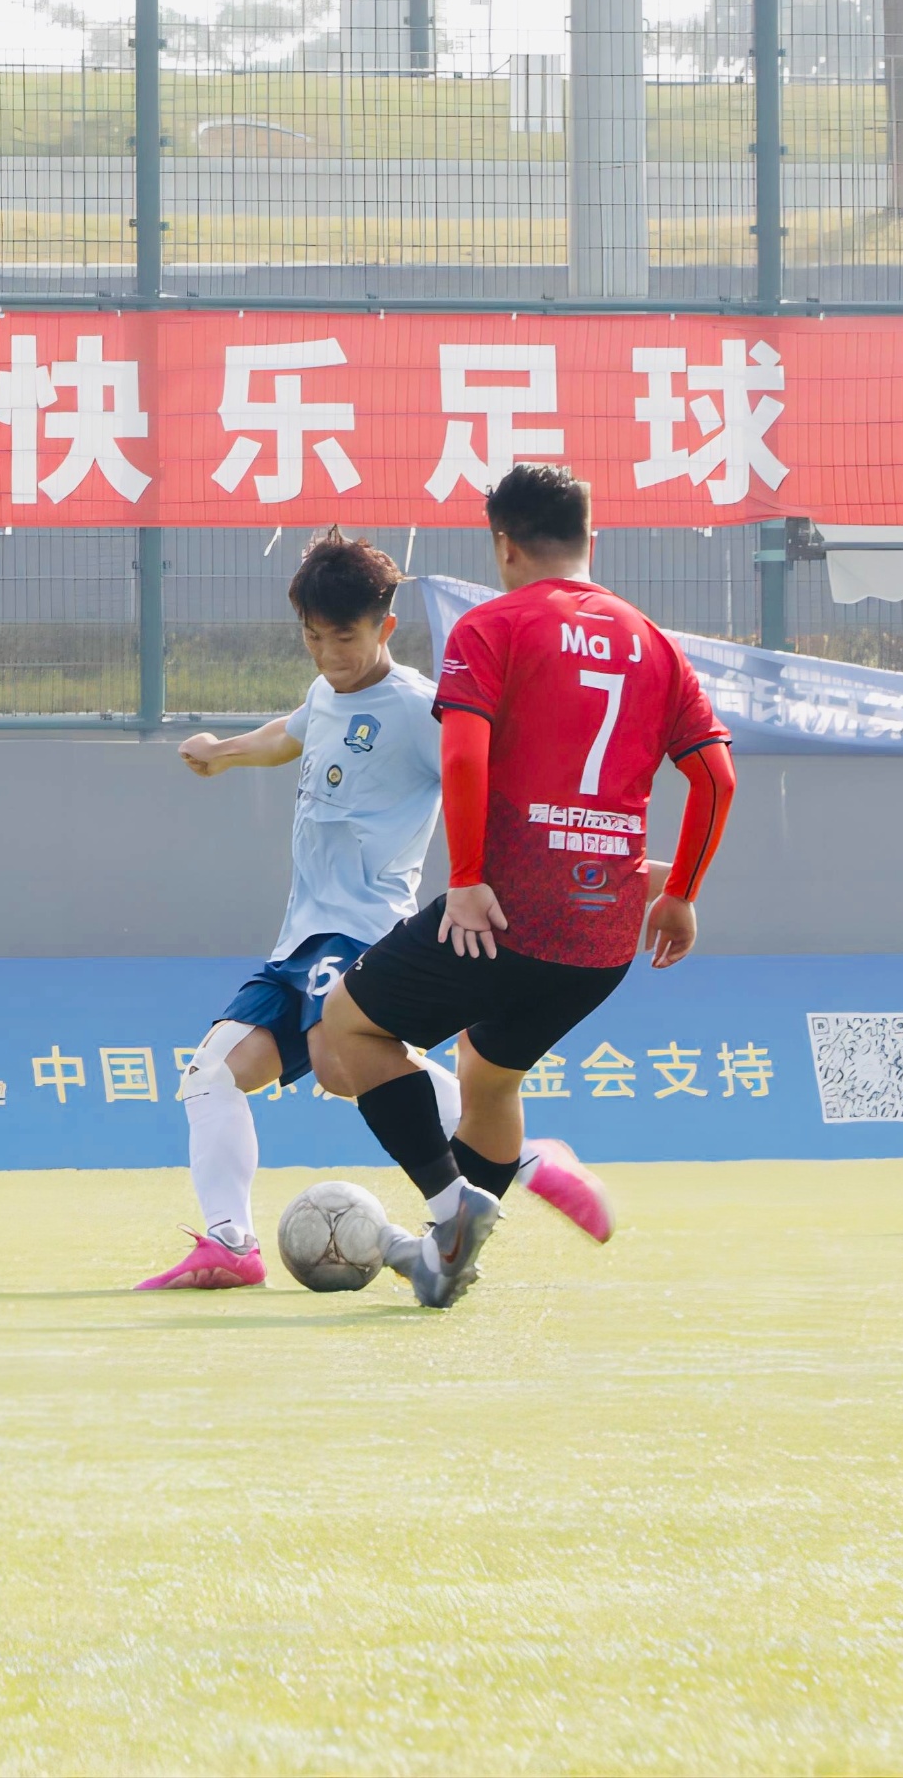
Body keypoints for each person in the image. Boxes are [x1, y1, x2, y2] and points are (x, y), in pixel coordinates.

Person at [310, 464, 737, 1310]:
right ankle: (446, 1259)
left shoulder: (491, 627)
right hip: (605, 935)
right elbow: (716, 778)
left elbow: (465, 753)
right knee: (490, 1079)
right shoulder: (653, 641)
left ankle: (448, 1204)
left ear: (503, 544)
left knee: (347, 1031)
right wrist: (681, 892)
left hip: (503, 909)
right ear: (588, 540)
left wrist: (465, 881)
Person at [139, 536, 609, 1290]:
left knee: (338, 1059)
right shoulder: (326, 694)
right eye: (313, 637)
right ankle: (232, 1246)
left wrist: (598, 863)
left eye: (345, 637)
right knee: (210, 1077)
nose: (328, 653)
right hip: (298, 940)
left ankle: (525, 1154)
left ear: (384, 628)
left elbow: (496, 789)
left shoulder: (423, 708)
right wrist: (221, 751)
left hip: (363, 932)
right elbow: (284, 735)